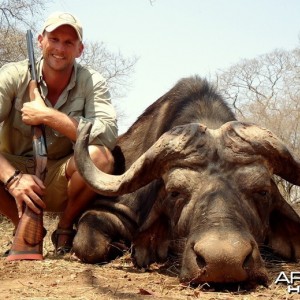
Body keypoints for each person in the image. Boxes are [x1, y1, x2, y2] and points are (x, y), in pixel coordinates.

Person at [0, 12, 118, 255]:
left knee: (102, 157)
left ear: (80, 49)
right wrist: (13, 179)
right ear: (40, 40)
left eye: (68, 43)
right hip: (12, 175)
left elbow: (107, 134)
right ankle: (24, 226)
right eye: (54, 39)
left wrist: (48, 116)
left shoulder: (92, 81)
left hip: (60, 176)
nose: (60, 49)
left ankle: (64, 229)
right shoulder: (13, 74)